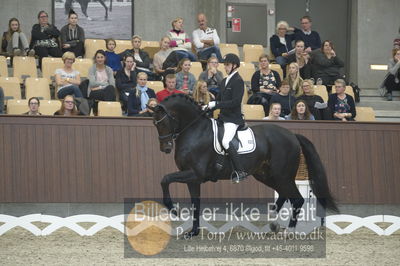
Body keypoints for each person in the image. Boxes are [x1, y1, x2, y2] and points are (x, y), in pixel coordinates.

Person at [203, 53, 247, 183]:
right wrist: (207, 107)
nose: (225, 67)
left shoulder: (238, 81)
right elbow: (219, 100)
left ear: (234, 66)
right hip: (222, 117)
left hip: (233, 119)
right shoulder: (224, 81)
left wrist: (216, 104)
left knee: (226, 141)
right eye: (225, 65)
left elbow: (235, 102)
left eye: (227, 65)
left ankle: (240, 171)